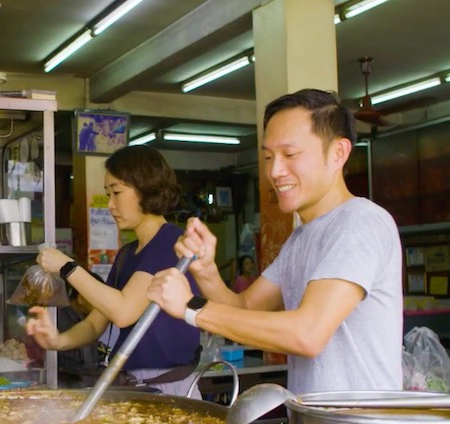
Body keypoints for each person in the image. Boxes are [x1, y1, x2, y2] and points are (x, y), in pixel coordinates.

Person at [146, 89, 403, 394]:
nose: (274, 171)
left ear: (338, 153)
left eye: (290, 155)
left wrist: (191, 307)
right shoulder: (301, 237)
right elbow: (245, 307)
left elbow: (308, 334)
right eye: (268, 157)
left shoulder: (358, 223)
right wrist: (206, 271)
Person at [26, 145, 203, 397]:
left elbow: (123, 312)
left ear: (145, 188)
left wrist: (66, 267)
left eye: (117, 192)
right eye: (108, 193)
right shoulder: (127, 254)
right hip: (134, 385)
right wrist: (58, 341)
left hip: (167, 388)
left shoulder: (170, 244)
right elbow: (96, 323)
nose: (110, 204)